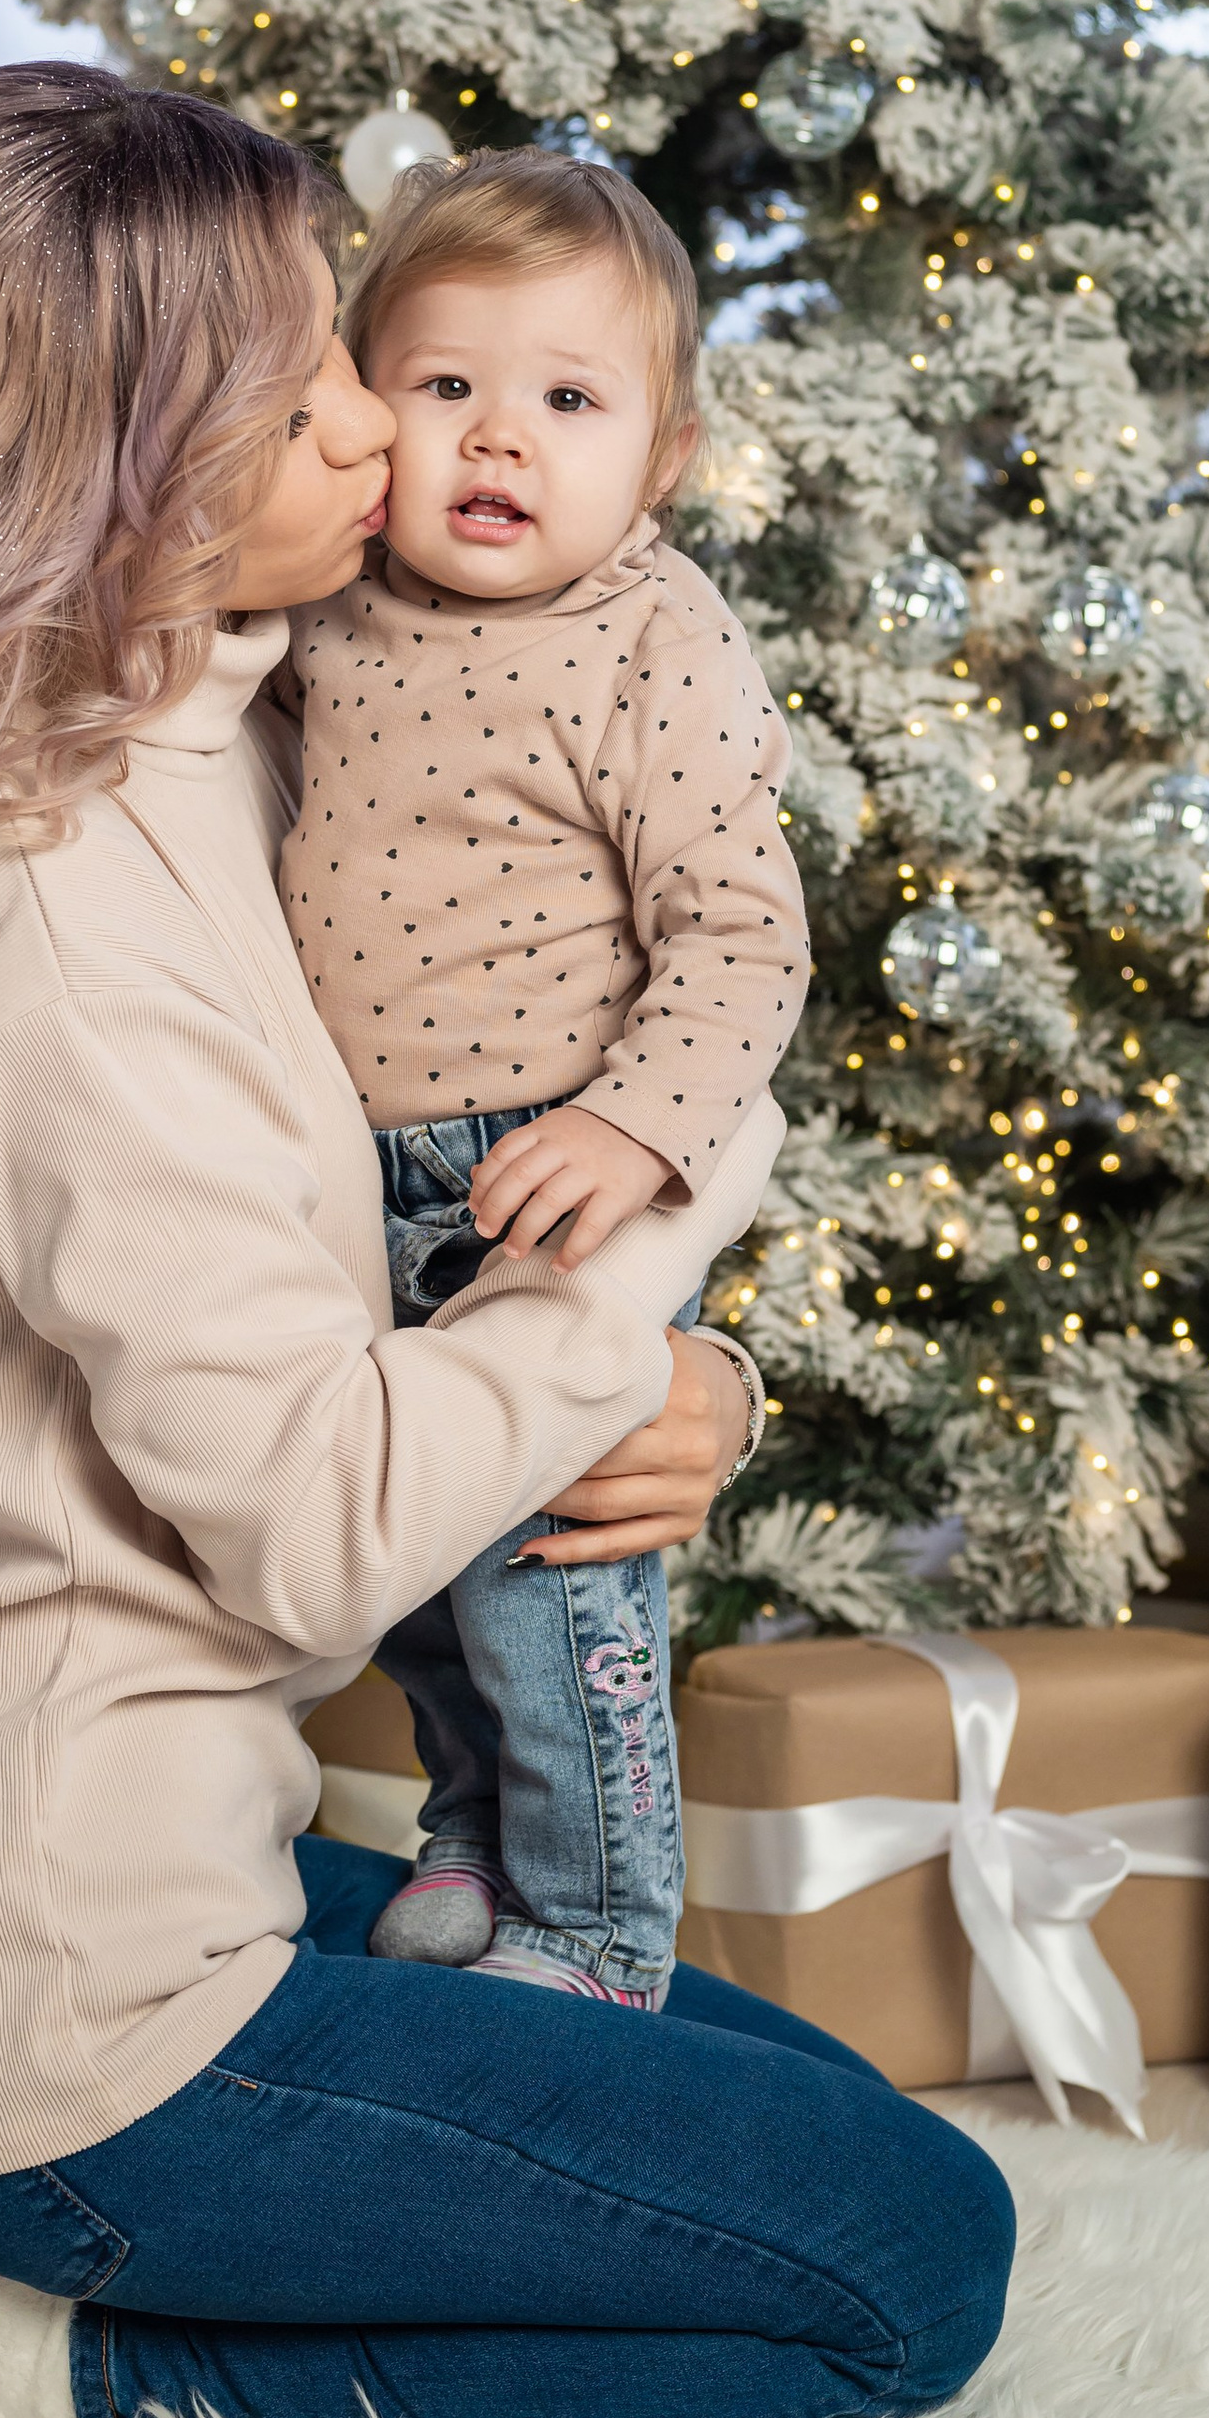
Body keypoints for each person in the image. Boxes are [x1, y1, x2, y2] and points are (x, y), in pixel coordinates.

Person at [0, 64, 1009, 2418]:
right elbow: (316, 1525)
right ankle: (10, 2367)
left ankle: (38, 2219)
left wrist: (677, 1375)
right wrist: (650, 1247)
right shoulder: (59, 928)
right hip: (60, 2012)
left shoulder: (185, 735)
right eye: (306, 386)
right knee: (900, 2269)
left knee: (744, 2060)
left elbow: (549, 889)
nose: (388, 424)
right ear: (131, 474)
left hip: (55, 1886)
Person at [280, 151, 809, 2008]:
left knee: (547, 1566)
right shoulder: (325, 609)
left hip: (547, 1169)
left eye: (568, 403)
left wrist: (632, 1128)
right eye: (447, 391)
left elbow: (743, 939)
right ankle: (473, 1842)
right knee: (414, 1548)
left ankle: (597, 1929)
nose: (500, 441)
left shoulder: (655, 643)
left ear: (659, 457)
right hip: (351, 1168)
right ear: (362, 409)